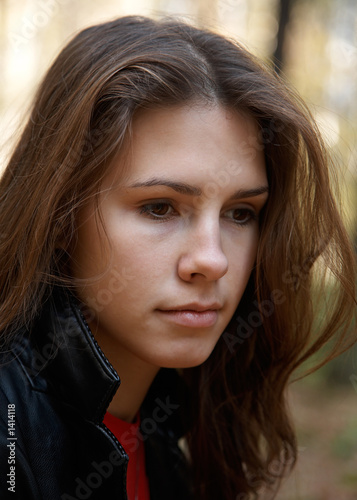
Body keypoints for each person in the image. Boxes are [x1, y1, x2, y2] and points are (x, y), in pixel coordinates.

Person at [0, 15, 355, 500]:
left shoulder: (166, 428)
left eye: (240, 212)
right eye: (160, 207)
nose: (212, 261)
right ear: (60, 217)